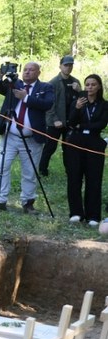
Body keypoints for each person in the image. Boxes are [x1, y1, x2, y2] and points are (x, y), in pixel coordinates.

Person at [0, 61, 54, 213]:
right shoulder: (14, 83)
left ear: (38, 72)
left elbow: (48, 104)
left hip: (32, 139)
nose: (27, 72)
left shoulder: (45, 88)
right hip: (10, 136)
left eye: (31, 70)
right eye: (25, 69)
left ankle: (28, 203)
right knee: (2, 168)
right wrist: (0, 74)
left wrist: (26, 98)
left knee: (30, 172)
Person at [64, 74, 107, 226]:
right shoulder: (79, 102)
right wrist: (76, 109)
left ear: (99, 87)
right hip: (76, 142)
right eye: (87, 84)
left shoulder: (104, 105)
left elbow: (101, 124)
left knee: (93, 178)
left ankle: (93, 215)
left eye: (93, 85)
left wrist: (81, 126)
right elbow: (70, 122)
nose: (89, 87)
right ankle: (76, 212)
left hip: (95, 143)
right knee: (74, 177)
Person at [39, 55, 81, 177]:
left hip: (71, 121)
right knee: (50, 147)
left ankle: (70, 172)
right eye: (66, 65)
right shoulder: (53, 83)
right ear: (60, 66)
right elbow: (49, 104)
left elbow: (82, 101)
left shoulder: (75, 82)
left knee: (69, 148)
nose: (68, 68)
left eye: (70, 65)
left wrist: (79, 91)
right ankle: (42, 171)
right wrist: (55, 119)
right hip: (55, 122)